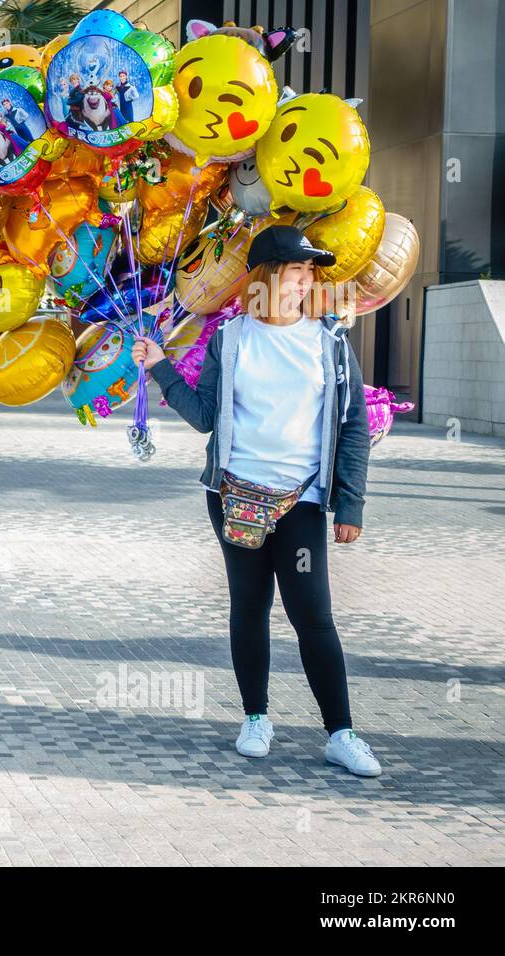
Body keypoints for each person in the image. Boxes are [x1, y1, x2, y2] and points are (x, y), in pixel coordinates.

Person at [133, 224, 380, 777]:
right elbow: (204, 415)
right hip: (234, 496)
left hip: (302, 504)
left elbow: (353, 425)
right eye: (296, 271)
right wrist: (159, 366)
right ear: (268, 276)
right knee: (249, 608)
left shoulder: (330, 342)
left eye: (308, 273)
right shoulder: (231, 338)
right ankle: (255, 718)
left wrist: (351, 504)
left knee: (313, 615)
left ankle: (341, 733)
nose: (304, 281)